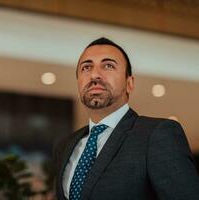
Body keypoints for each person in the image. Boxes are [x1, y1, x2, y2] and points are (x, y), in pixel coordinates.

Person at [53, 37, 199, 200]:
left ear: (130, 83)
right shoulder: (65, 147)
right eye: (86, 67)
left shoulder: (158, 134)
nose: (95, 74)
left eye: (108, 65)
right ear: (78, 82)